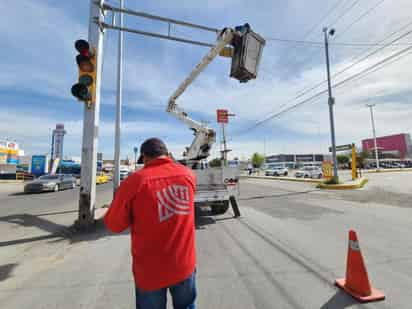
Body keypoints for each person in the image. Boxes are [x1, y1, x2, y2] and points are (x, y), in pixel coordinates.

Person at [104, 138, 197, 309]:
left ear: (145, 158)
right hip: (184, 264)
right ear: (168, 154)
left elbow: (114, 225)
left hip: (150, 272)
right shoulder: (188, 175)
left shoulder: (134, 182)